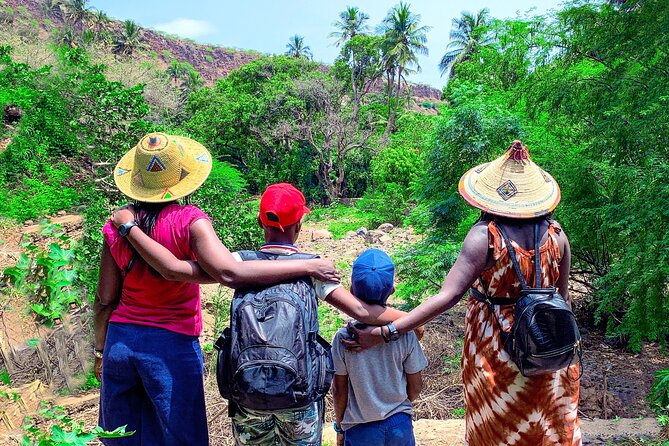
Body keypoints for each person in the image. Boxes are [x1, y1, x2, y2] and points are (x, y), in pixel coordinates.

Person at [111, 181, 421, 446]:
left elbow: (177, 270)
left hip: (248, 394)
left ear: (262, 223)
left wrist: (129, 228)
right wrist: (410, 320)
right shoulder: (313, 269)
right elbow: (360, 310)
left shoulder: (236, 263)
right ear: (299, 226)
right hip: (298, 397)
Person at [94, 133, 339, 446]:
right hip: (171, 346)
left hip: (120, 342)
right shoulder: (188, 221)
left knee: (123, 437)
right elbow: (229, 271)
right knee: (180, 437)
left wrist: (100, 351)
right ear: (181, 178)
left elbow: (105, 299)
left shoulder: (116, 226)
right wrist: (307, 266)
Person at [347, 141, 581, 446]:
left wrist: (387, 332)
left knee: (498, 432)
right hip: (548, 353)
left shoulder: (485, 236)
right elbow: (561, 300)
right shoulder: (557, 235)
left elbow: (447, 297)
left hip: (497, 355)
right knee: (547, 430)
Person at [332, 249, 428, 446]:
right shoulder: (406, 335)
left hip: (360, 429)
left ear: (351, 291)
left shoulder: (343, 339)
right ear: (392, 290)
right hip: (399, 424)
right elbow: (416, 386)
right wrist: (398, 406)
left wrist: (340, 427)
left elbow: (339, 391)